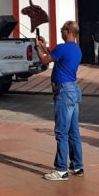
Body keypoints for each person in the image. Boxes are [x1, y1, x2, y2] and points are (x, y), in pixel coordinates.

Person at [35, 20, 83, 181]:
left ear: (69, 31)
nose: (61, 32)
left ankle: (61, 169)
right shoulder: (76, 49)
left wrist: (37, 48)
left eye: (63, 30)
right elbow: (54, 55)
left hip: (63, 91)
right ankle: (77, 165)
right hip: (73, 90)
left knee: (62, 132)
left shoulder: (62, 48)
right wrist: (45, 46)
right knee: (73, 131)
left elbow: (44, 60)